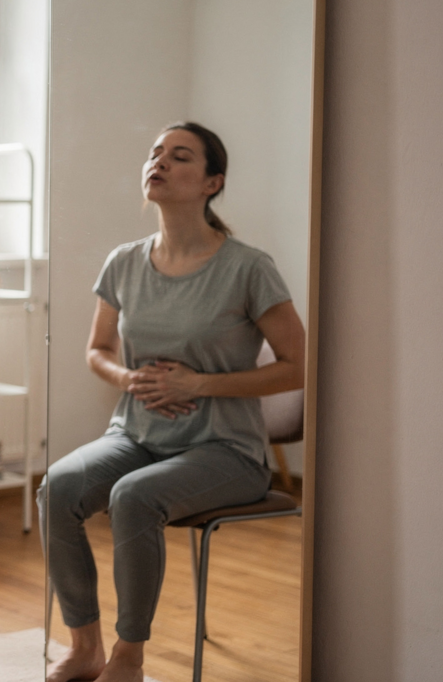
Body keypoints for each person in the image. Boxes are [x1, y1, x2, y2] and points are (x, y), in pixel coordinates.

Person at [40, 122, 306, 682]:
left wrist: (200, 385)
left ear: (213, 182)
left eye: (178, 156)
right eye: (155, 153)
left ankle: (129, 657)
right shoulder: (124, 262)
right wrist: (127, 378)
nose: (158, 162)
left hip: (225, 452)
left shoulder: (247, 267)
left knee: (133, 497)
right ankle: (84, 644)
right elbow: (97, 350)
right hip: (136, 436)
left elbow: (300, 366)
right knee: (58, 487)